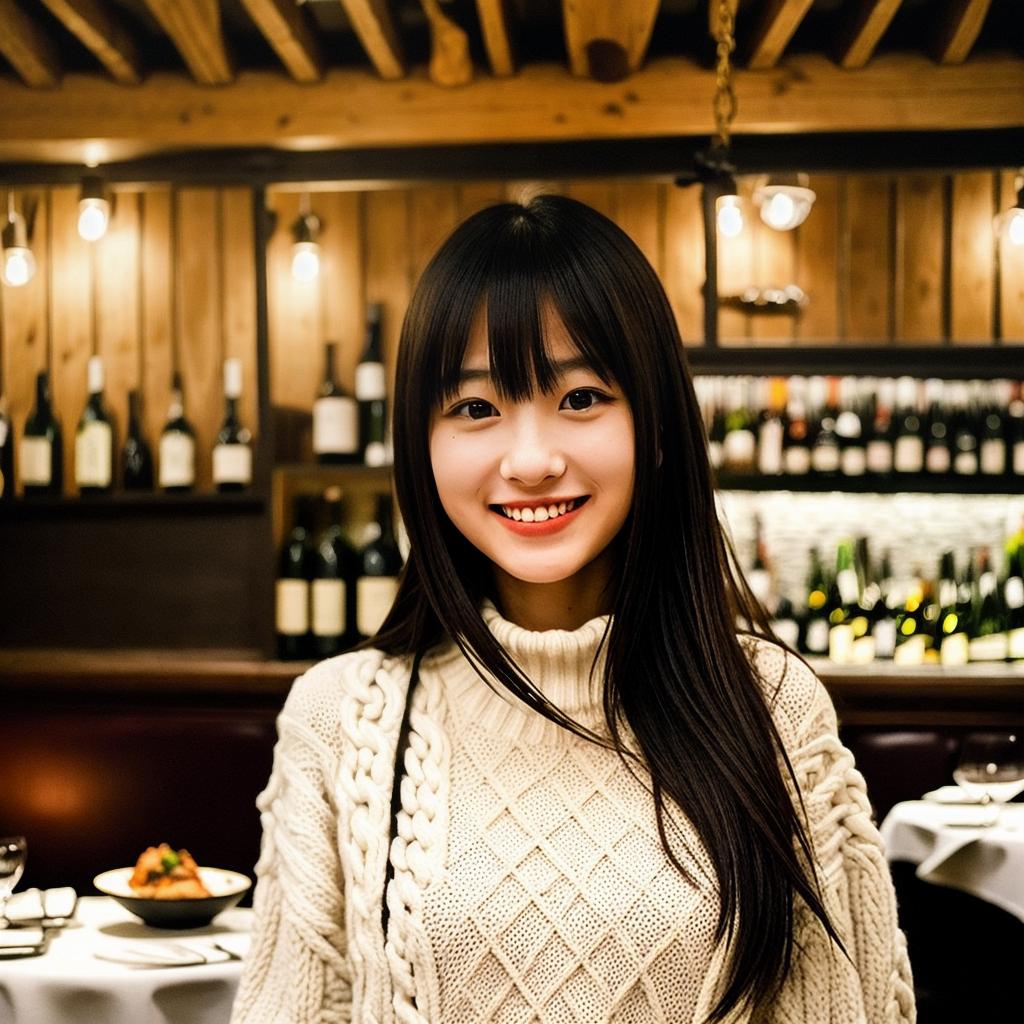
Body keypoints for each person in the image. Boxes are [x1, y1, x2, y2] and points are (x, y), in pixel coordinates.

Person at [232, 195, 915, 1023]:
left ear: (657, 425)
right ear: (421, 443)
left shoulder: (775, 706)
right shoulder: (342, 719)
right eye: (477, 408)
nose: (530, 460)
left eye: (582, 397)